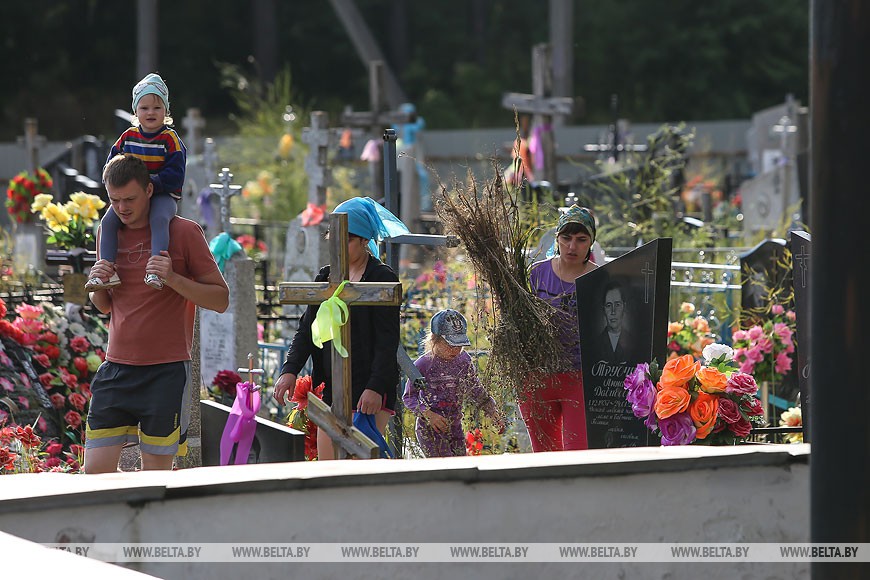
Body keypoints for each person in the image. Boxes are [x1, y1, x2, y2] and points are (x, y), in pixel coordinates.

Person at [84, 154, 229, 473]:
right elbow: (106, 306)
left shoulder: (185, 232)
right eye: (114, 200)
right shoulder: (108, 235)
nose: (122, 208)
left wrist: (174, 278)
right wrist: (98, 286)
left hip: (166, 372)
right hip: (116, 369)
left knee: (155, 478)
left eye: (130, 199)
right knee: (95, 474)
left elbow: (220, 299)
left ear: (150, 191)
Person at [273, 196, 409, 460]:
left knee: (361, 465)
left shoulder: (381, 278)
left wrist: (375, 387)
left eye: (346, 238)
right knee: (328, 465)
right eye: (333, 236)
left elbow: (387, 340)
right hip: (332, 385)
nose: (338, 244)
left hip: (368, 387)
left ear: (364, 241)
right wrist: (290, 370)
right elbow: (306, 330)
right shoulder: (326, 277)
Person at [85, 73, 187, 292]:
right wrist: (115, 182)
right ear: (135, 111)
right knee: (108, 223)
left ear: (166, 112)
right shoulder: (128, 137)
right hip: (134, 194)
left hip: (162, 193)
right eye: (144, 108)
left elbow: (176, 174)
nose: (150, 113)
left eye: (157, 108)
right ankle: (106, 270)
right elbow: (111, 165)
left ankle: (156, 269)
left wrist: (151, 184)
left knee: (159, 219)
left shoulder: (170, 139)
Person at [523, 205, 598, 452]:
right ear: (557, 238)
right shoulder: (536, 274)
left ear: (591, 242)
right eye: (566, 238)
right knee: (544, 454)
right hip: (538, 377)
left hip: (580, 376)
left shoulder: (599, 279)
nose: (572, 246)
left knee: (578, 452)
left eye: (581, 239)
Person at [402, 309, 502, 457]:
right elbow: (409, 397)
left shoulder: (464, 360)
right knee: (445, 467)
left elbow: (475, 388)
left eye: (459, 344)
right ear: (435, 340)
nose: (455, 350)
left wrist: (491, 409)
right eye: (450, 345)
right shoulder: (423, 364)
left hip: (455, 427)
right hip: (431, 429)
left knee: (461, 464)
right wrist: (428, 414)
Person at [590, 281, 638, 364]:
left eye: (617, 304)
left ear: (624, 307)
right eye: (608, 305)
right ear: (604, 309)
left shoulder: (634, 343)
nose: (613, 311)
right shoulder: (594, 345)